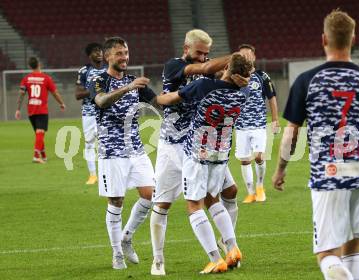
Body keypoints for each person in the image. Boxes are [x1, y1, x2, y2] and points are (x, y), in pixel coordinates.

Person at [271, 10, 359, 280]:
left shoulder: (306, 81)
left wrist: (281, 169)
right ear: (353, 39)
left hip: (328, 173)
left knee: (327, 253)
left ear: (324, 39)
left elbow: (291, 134)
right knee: (354, 249)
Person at [150, 29, 241, 275]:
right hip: (172, 145)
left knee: (214, 196)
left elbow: (222, 75)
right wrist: (237, 58)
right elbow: (202, 70)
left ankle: (229, 248)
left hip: (198, 145)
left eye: (206, 54)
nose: (202, 58)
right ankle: (158, 259)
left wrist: (239, 67)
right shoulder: (174, 66)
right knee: (162, 204)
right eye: (198, 52)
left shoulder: (207, 75)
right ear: (186, 48)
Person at [89, 37, 156, 270]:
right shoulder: (98, 80)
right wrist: (127, 88)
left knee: (150, 194)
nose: (125, 57)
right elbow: (101, 101)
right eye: (119, 53)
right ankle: (116, 253)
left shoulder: (134, 81)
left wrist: (185, 94)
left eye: (126, 53)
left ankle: (126, 238)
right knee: (116, 201)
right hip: (111, 151)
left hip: (136, 149)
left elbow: (160, 102)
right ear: (107, 56)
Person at [235, 44, 280, 203]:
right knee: (244, 160)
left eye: (248, 55)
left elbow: (272, 98)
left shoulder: (262, 76)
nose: (246, 57)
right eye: (242, 55)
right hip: (240, 125)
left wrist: (275, 120)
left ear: (254, 57)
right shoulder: (234, 77)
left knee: (259, 156)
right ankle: (251, 192)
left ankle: (260, 186)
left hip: (258, 124)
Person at [15, 57, 65, 163]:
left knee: (39, 133)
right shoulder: (46, 78)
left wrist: (18, 109)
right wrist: (61, 103)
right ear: (39, 64)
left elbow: (21, 94)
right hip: (41, 110)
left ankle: (44, 155)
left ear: (30, 66)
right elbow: (55, 93)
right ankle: (36, 156)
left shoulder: (26, 79)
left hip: (31, 110)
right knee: (40, 132)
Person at [75, 43, 107, 185]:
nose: (99, 53)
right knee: (89, 144)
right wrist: (93, 90)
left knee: (106, 143)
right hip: (89, 113)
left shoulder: (109, 69)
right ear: (90, 55)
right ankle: (93, 175)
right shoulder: (84, 71)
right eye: (95, 51)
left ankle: (106, 173)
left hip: (106, 112)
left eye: (100, 50)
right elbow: (78, 94)